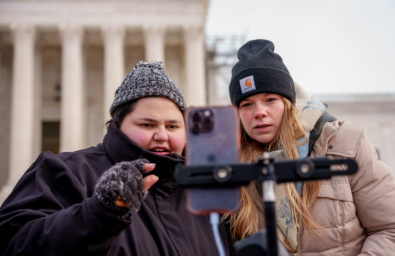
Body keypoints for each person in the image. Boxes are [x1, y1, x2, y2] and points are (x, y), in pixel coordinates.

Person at [0, 61, 233, 255]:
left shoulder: (204, 194)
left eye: (172, 126)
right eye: (147, 124)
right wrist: (98, 214)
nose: (162, 135)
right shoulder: (66, 172)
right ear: (119, 125)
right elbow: (14, 244)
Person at [225, 39, 395, 255]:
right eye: (247, 104)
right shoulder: (231, 169)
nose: (259, 112)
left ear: (288, 104)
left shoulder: (345, 142)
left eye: (270, 99)